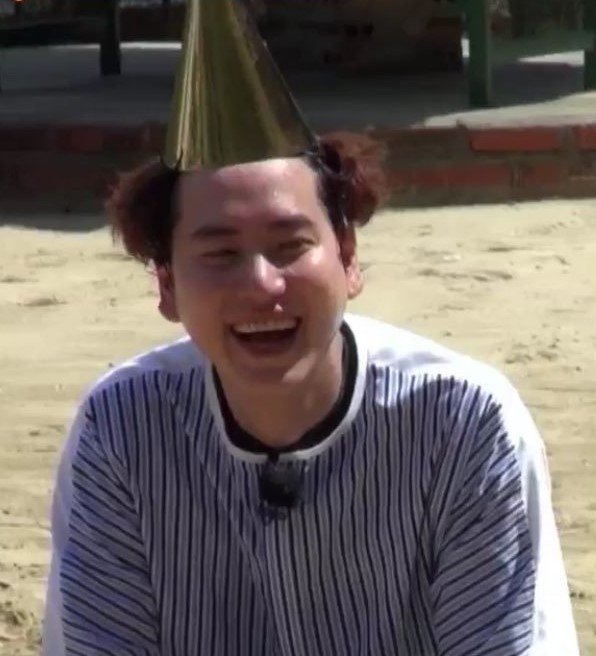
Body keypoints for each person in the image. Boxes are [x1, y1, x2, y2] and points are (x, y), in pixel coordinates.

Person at [43, 0, 580, 654]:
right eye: (220, 254)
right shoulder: (122, 431)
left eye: (290, 246)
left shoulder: (464, 424)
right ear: (168, 286)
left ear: (347, 257)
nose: (261, 284)